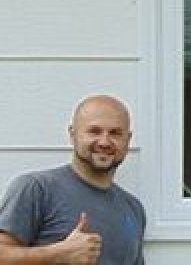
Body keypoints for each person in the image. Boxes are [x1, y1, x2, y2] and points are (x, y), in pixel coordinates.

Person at [0, 94, 146, 264]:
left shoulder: (133, 209)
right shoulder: (36, 189)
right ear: (73, 134)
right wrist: (59, 254)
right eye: (94, 131)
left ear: (127, 140)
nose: (104, 142)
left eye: (115, 133)